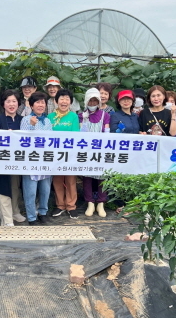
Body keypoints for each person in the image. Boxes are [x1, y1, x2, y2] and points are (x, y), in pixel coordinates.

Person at [0, 90, 26, 226]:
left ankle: (15, 211)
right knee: (3, 188)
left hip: (17, 160)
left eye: (14, 101)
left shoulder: (22, 120)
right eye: (8, 101)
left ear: (18, 103)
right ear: (3, 104)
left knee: (15, 186)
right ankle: (6, 219)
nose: (11, 104)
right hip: (2, 160)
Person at [21, 91, 53, 225]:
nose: (41, 105)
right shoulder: (25, 119)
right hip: (31, 160)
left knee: (45, 190)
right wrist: (32, 126)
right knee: (31, 192)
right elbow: (23, 140)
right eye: (38, 102)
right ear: (31, 105)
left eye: (43, 102)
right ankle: (31, 216)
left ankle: (43, 212)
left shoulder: (47, 121)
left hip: (45, 160)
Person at [48, 89, 80, 219]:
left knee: (71, 179)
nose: (64, 101)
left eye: (67, 99)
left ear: (70, 103)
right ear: (56, 101)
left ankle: (71, 206)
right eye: (61, 98)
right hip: (55, 154)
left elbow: (75, 135)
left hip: (70, 153)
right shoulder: (50, 117)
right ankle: (60, 205)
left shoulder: (73, 116)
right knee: (57, 180)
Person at [79, 88, 111, 217]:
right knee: (87, 177)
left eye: (95, 101)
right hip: (86, 151)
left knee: (102, 177)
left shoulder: (105, 115)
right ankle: (90, 203)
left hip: (101, 150)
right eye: (90, 101)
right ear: (86, 101)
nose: (92, 104)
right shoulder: (81, 115)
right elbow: (79, 134)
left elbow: (107, 132)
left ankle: (101, 203)